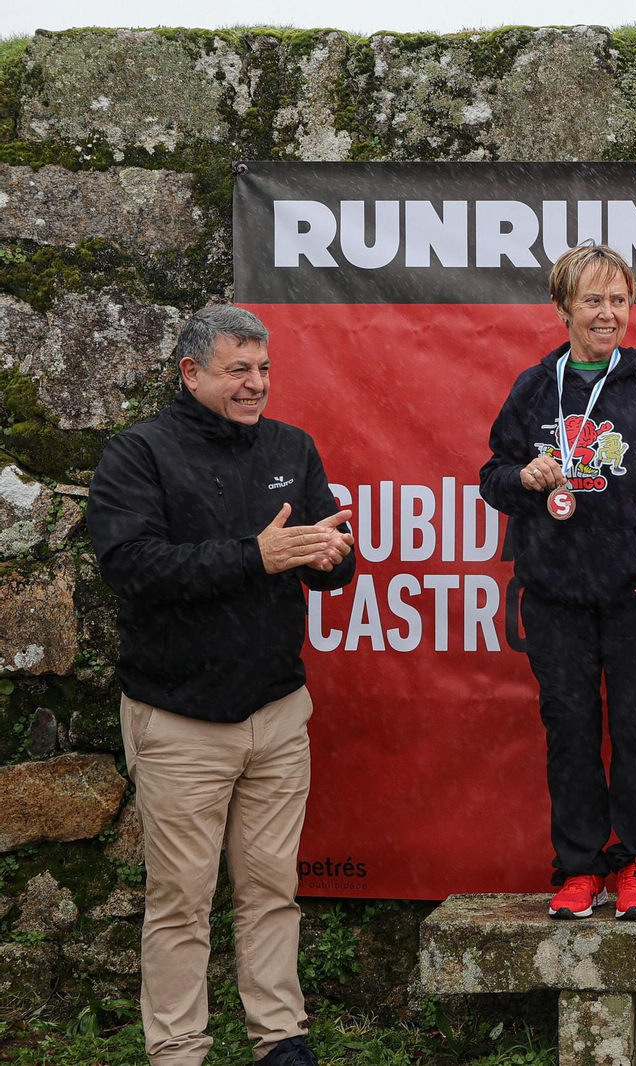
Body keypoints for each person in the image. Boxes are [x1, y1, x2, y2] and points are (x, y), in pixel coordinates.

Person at [87, 305, 355, 1066]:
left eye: (263, 369)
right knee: (180, 901)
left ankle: (280, 1039)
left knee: (272, 889)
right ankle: (178, 1050)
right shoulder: (139, 453)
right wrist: (254, 556)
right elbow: (130, 566)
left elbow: (329, 559)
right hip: (180, 720)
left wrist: (331, 558)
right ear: (191, 372)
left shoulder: (291, 446)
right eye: (239, 369)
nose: (256, 384)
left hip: (276, 712)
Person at [480, 243, 636, 922]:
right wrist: (522, 478)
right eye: (593, 301)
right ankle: (580, 868)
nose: (608, 313)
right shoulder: (533, 388)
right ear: (563, 309)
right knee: (570, 730)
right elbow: (492, 475)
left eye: (619, 300)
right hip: (556, 597)